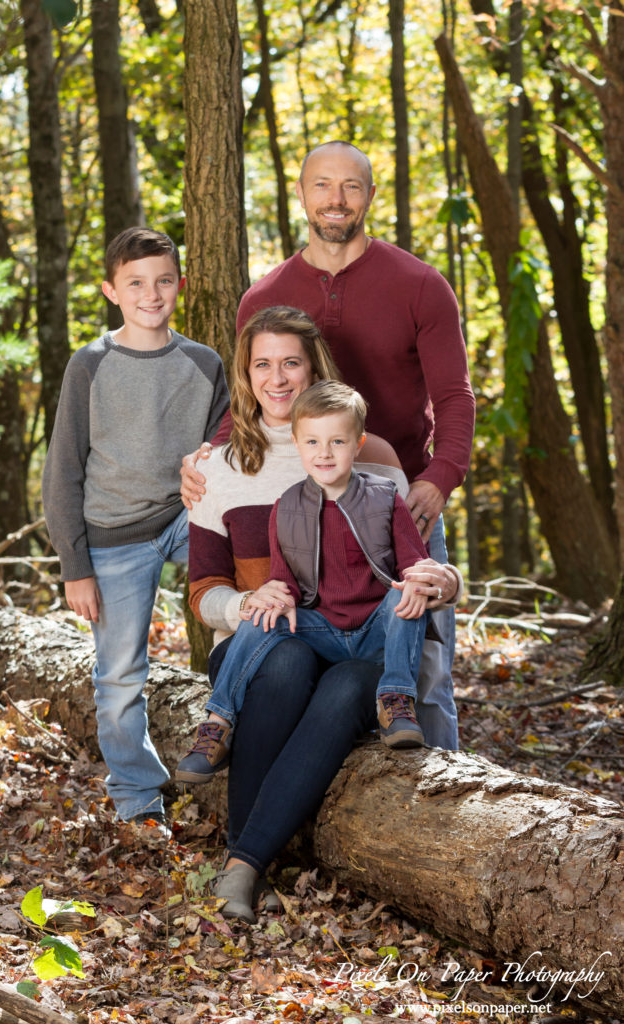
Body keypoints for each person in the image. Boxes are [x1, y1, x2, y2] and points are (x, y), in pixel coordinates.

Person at [183, 140, 475, 751]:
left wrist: (439, 478)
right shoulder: (265, 296)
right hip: (306, 508)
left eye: (349, 186)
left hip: (401, 500)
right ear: (302, 193)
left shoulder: (420, 284)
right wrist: (207, 456)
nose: (335, 199)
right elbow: (256, 391)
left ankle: (445, 805)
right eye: (321, 185)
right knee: (318, 667)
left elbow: (455, 397)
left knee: (424, 677)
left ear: (369, 195)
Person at [181, 306, 461, 921]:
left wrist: (443, 583)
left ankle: (245, 863)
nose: (277, 378)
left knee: (344, 687)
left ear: (314, 369)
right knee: (283, 661)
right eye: (262, 364)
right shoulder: (214, 468)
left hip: (357, 640)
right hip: (264, 634)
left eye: (291, 362)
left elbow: (420, 565)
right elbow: (204, 589)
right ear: (245, 374)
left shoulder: (376, 457)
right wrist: (247, 600)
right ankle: (246, 856)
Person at [42, 227, 229, 825]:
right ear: (111, 291)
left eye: (164, 281)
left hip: (183, 517)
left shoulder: (203, 363)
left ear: (180, 285)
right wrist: (76, 568)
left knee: (247, 584)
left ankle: (241, 692)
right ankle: (136, 796)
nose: (152, 294)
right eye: (136, 284)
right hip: (113, 536)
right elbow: (63, 470)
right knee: (119, 674)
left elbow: (228, 450)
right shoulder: (91, 365)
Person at [177, 380, 434, 784]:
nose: (324, 453)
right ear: (297, 445)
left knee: (407, 595)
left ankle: (396, 702)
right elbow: (285, 581)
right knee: (260, 614)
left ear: (358, 443)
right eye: (312, 442)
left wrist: (419, 582)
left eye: (337, 442)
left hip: (376, 629)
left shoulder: (385, 497)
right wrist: (274, 599)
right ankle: (217, 724)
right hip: (322, 629)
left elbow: (415, 564)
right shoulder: (287, 506)